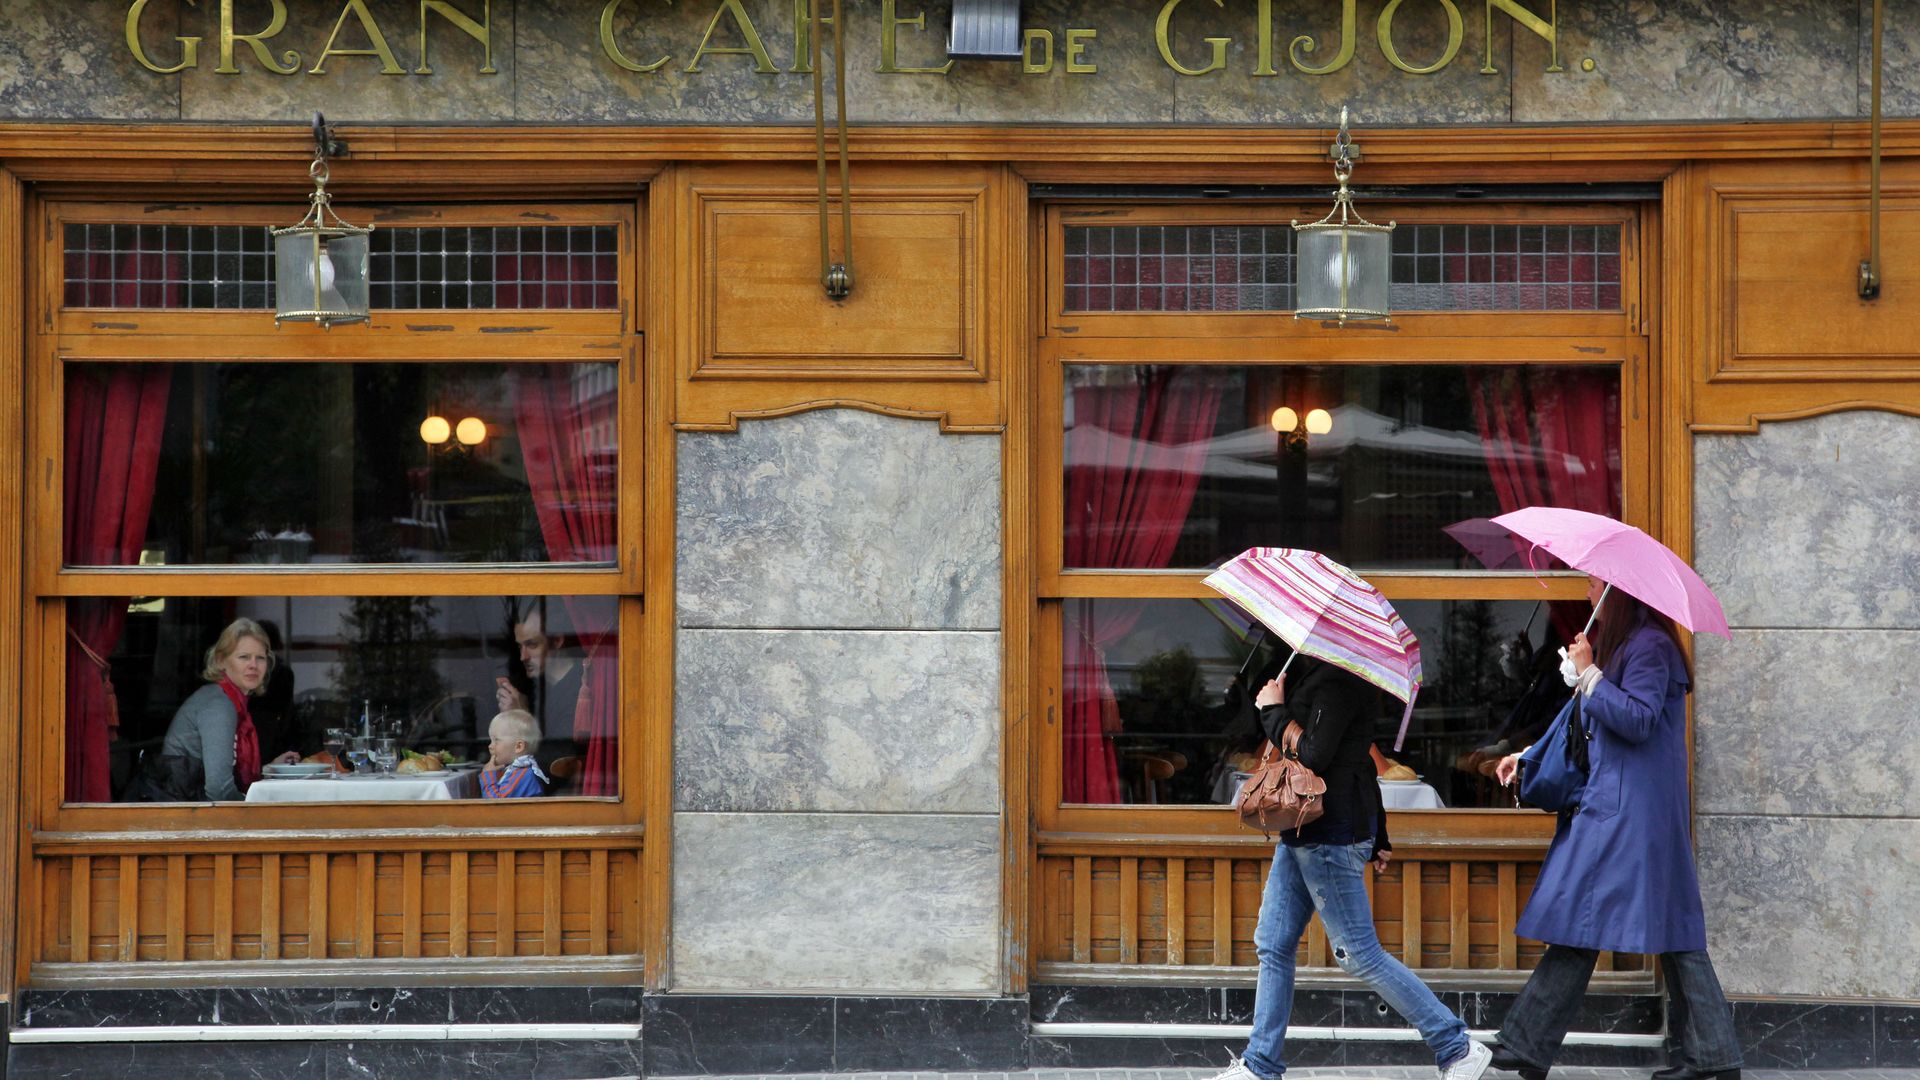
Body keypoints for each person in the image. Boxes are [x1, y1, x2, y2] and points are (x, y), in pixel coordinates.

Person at [1488, 577, 1741, 1080]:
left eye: (1595, 583)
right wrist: (1528, 755)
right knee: (1668, 930)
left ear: (1620, 593)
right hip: (1624, 808)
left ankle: (1525, 1042)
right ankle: (1713, 1058)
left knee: (1582, 919)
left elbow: (1640, 719)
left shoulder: (1649, 647)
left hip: (1627, 813)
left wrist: (1591, 677)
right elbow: (1581, 726)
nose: (1588, 592)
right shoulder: (1628, 644)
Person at [1210, 655, 1492, 1080]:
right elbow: (1358, 761)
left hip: (1329, 835)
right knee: (1273, 942)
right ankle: (1260, 1065)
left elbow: (1318, 755)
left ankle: (1456, 1047)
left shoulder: (1338, 677)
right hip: (1305, 831)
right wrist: (1379, 836)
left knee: (1359, 954)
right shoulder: (1322, 671)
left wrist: (1272, 710)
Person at [132, 618, 299, 801]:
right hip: (186, 817)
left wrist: (269, 770)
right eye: (244, 657)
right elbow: (219, 791)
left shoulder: (231, 701)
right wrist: (256, 811)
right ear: (221, 661)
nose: (253, 665)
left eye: (260, 657)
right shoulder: (219, 705)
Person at [494, 599, 584, 776]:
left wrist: (522, 717)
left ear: (557, 641)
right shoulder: (537, 688)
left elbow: (556, 767)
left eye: (532, 645)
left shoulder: (581, 689)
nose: (523, 656)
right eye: (520, 646)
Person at [479, 708, 548, 799]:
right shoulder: (520, 771)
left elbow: (496, 807)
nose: (490, 746)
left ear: (518, 746)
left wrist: (488, 776)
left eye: (496, 740)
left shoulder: (523, 774)